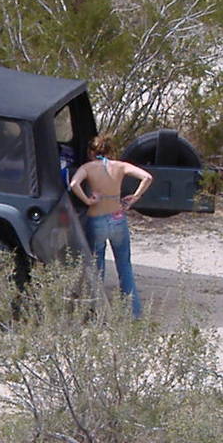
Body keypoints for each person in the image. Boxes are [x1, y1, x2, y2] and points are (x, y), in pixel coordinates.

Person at [69, 135, 152, 319]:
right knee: (124, 265)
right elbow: (147, 177)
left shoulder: (88, 167)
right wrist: (135, 197)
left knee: (97, 269)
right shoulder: (120, 166)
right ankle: (134, 313)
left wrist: (87, 200)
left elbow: (74, 184)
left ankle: (99, 313)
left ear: (91, 152)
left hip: (96, 218)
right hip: (118, 218)